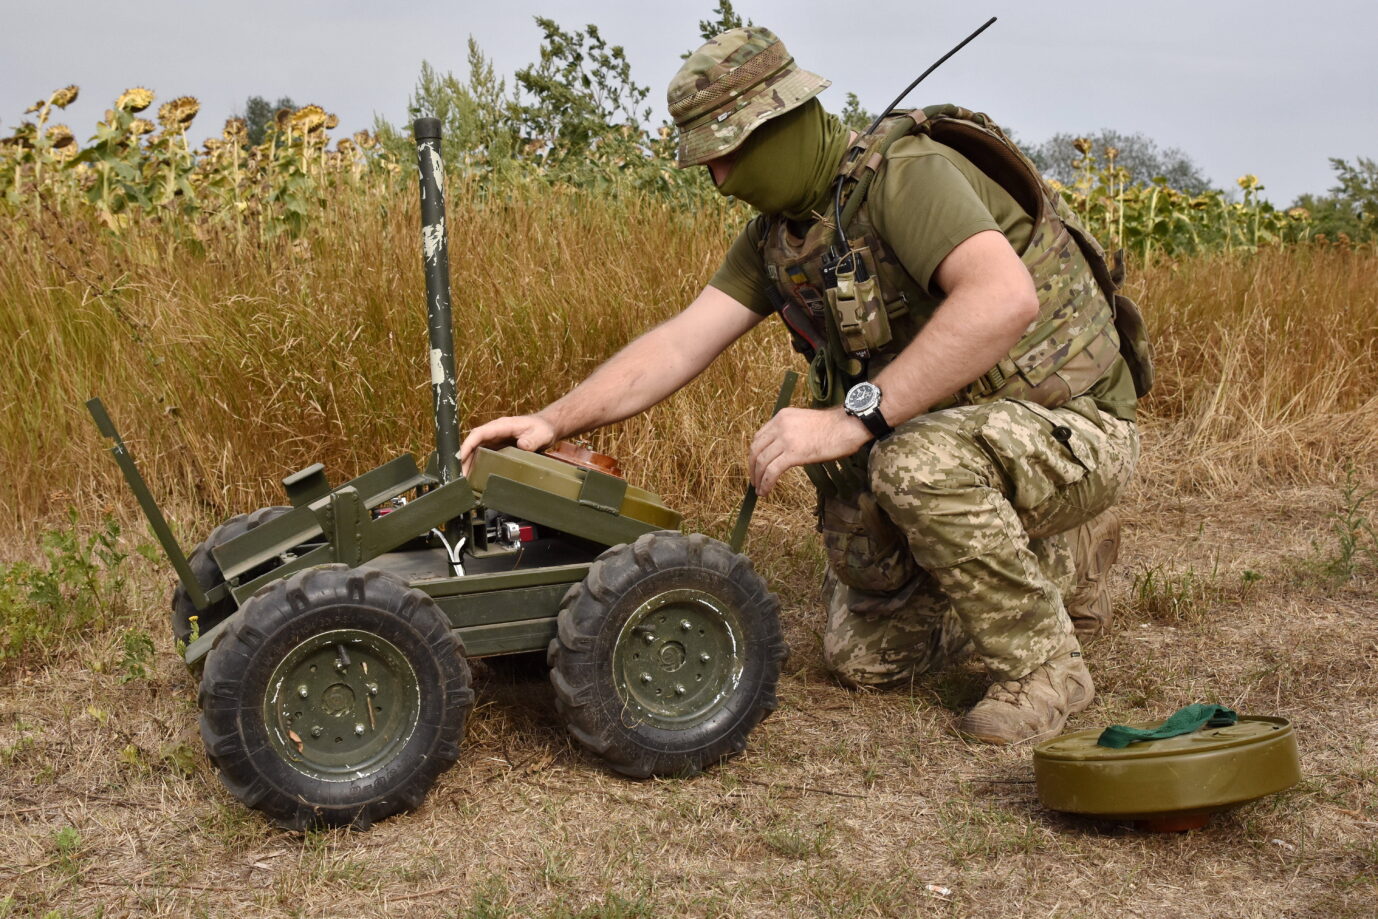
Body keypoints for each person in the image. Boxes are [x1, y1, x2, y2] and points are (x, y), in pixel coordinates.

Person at [460, 27, 1146, 745]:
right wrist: (551, 419)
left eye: (727, 154)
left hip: (1072, 425)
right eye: (707, 162)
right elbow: (679, 342)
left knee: (909, 464)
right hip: (965, 430)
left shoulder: (906, 175)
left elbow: (1003, 300)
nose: (720, 179)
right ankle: (1051, 564)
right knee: (865, 657)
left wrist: (849, 420)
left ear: (781, 122)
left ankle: (1046, 667)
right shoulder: (780, 237)